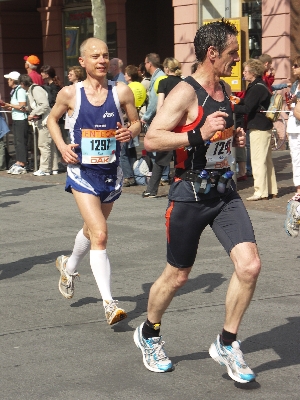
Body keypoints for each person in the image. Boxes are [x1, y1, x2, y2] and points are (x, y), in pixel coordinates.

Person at [133, 19, 260, 383]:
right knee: (177, 276)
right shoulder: (186, 92)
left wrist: (230, 137)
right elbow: (154, 139)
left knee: (249, 266)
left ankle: (227, 342)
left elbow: (217, 135)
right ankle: (150, 333)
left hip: (224, 193)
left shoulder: (224, 89)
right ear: (212, 53)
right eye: (233, 53)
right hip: (188, 195)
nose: (237, 59)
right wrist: (198, 134)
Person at [47, 37, 141, 325]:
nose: (102, 60)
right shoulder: (69, 94)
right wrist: (62, 146)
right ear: (82, 62)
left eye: (106, 55)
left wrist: (131, 131)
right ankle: (110, 303)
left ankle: (69, 264)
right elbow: (52, 120)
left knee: (91, 229)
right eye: (95, 56)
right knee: (100, 233)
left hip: (111, 175)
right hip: (82, 173)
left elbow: (136, 122)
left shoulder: (121, 91)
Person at [233, 59, 278, 201]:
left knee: (258, 160)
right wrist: (239, 101)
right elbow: (249, 103)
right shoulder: (260, 85)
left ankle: (260, 191)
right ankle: (271, 190)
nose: (243, 73)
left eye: (245, 70)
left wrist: (231, 106)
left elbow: (247, 108)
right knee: (266, 160)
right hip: (265, 125)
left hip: (258, 126)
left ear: (253, 72)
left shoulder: (256, 87)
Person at [142, 57, 182, 198]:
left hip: (167, 124)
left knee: (161, 159)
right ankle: (181, 188)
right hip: (182, 124)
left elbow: (159, 106)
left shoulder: (163, 82)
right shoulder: (184, 83)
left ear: (166, 68)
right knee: (181, 158)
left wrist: (158, 123)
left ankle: (151, 190)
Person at [18, 74, 59, 176]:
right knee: (49, 145)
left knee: (43, 145)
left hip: (45, 121)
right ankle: (53, 168)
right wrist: (27, 109)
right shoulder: (32, 90)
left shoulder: (35, 90)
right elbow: (37, 105)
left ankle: (45, 169)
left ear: (23, 84)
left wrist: (32, 114)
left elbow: (44, 105)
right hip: (46, 120)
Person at [41, 65, 69, 172]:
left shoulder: (54, 87)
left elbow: (54, 102)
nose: (41, 74)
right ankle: (58, 163)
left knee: (60, 139)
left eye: (43, 72)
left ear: (47, 74)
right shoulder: (48, 85)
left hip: (58, 118)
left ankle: (65, 161)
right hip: (54, 118)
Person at [284, 57, 300, 237]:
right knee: (295, 158)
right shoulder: (295, 85)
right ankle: (298, 190)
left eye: (296, 66)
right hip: (294, 126)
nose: (293, 69)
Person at [2, 71, 28, 174]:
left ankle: (22, 163)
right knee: (17, 142)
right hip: (16, 118)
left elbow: (22, 106)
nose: (7, 81)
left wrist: (10, 105)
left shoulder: (20, 90)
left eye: (8, 79)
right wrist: (9, 105)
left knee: (21, 141)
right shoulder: (15, 90)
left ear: (12, 80)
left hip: (21, 119)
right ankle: (18, 161)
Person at [121, 65, 140, 187]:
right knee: (131, 150)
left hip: (126, 123)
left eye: (126, 74)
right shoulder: (140, 86)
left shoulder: (126, 89)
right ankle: (136, 174)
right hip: (134, 120)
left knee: (123, 152)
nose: (124, 75)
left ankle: (128, 176)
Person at [140, 53, 165, 129]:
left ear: (149, 64)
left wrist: (146, 117)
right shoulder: (160, 75)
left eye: (145, 63)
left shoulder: (158, 78)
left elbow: (154, 101)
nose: (145, 65)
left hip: (155, 121)